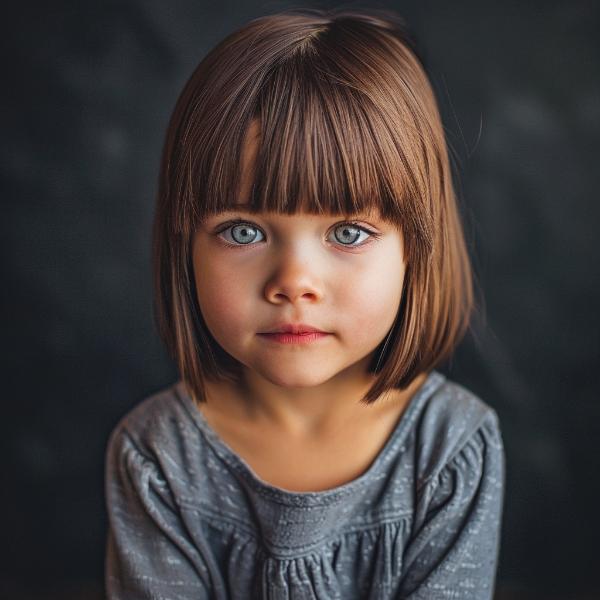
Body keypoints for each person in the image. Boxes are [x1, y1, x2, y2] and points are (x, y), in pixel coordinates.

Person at [104, 8, 505, 599]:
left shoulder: (451, 448)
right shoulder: (157, 456)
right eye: (243, 231)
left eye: (347, 233)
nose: (293, 282)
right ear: (183, 245)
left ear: (416, 250)